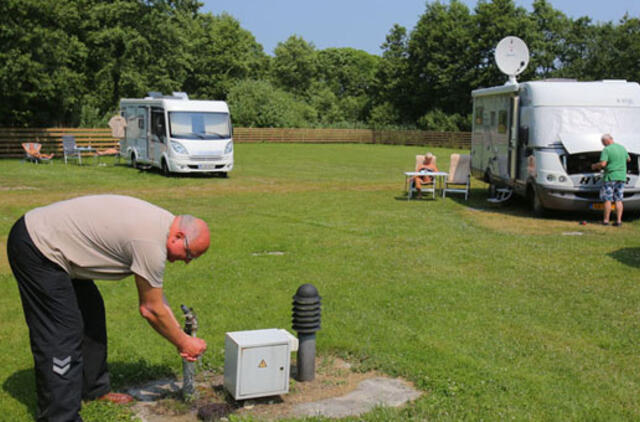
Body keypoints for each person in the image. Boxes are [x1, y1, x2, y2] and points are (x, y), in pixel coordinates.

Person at [6, 195, 209, 421]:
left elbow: (158, 300)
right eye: (190, 254)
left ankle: (94, 389)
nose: (187, 261)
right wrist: (184, 342)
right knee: (61, 332)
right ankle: (60, 416)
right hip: (39, 247)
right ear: (179, 237)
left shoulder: (161, 227)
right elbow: (150, 309)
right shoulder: (150, 241)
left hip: (64, 249)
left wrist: (180, 336)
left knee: (91, 314)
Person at [591, 133, 630, 226]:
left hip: (610, 177)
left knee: (607, 199)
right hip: (621, 177)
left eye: (603, 142)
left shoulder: (607, 149)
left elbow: (603, 164)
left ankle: (606, 221)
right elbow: (628, 159)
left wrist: (595, 166)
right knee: (618, 199)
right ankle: (619, 221)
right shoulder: (622, 148)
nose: (603, 144)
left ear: (606, 141)